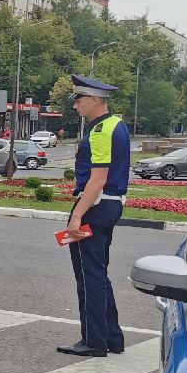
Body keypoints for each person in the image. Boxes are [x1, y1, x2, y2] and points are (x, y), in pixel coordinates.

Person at [57, 73, 130, 357]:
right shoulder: (116, 125)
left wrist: (76, 216)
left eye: (78, 99)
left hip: (96, 206)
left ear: (94, 100)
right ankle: (112, 337)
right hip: (109, 205)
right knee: (98, 273)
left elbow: (98, 179)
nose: (75, 105)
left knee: (88, 276)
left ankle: (94, 341)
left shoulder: (101, 131)